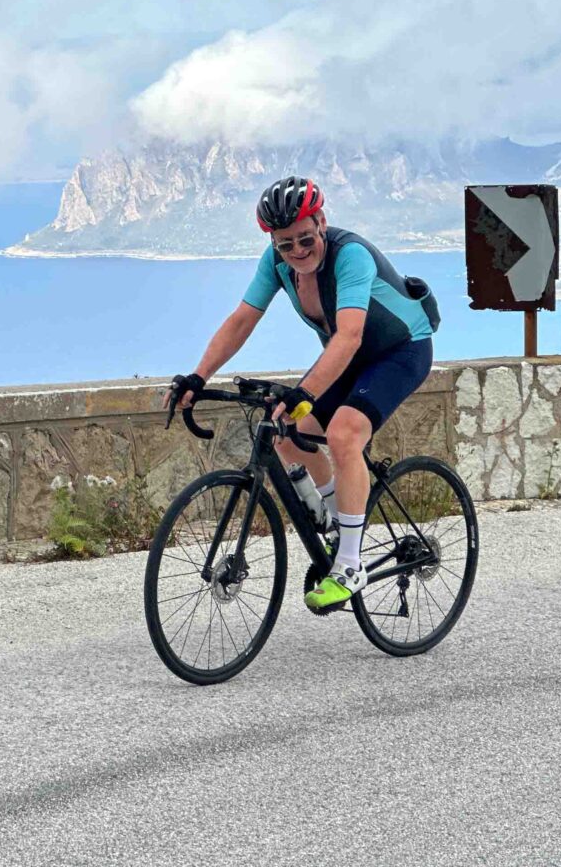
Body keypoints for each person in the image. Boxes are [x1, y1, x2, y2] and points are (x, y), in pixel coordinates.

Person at [166, 176, 439, 610]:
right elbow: (242, 319)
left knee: (344, 434)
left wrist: (303, 391)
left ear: (322, 222)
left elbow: (348, 337)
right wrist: (198, 377)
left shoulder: (351, 257)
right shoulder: (276, 264)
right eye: (285, 244)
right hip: (347, 356)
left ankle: (350, 565)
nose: (296, 251)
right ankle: (336, 524)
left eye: (305, 239)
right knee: (285, 431)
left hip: (400, 350)